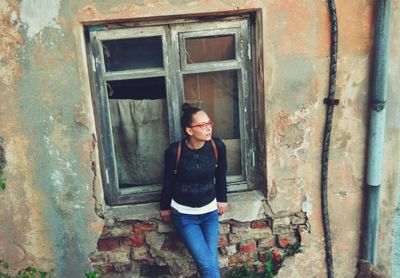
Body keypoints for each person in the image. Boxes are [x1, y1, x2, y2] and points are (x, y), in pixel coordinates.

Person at [160, 103, 228, 278]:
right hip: (184, 215)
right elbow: (168, 179)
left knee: (210, 263)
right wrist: (164, 206)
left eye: (209, 123)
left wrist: (222, 198)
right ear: (189, 131)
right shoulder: (175, 151)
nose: (208, 128)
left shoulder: (217, 146)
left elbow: (221, 175)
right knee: (207, 265)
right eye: (202, 125)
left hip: (210, 213)